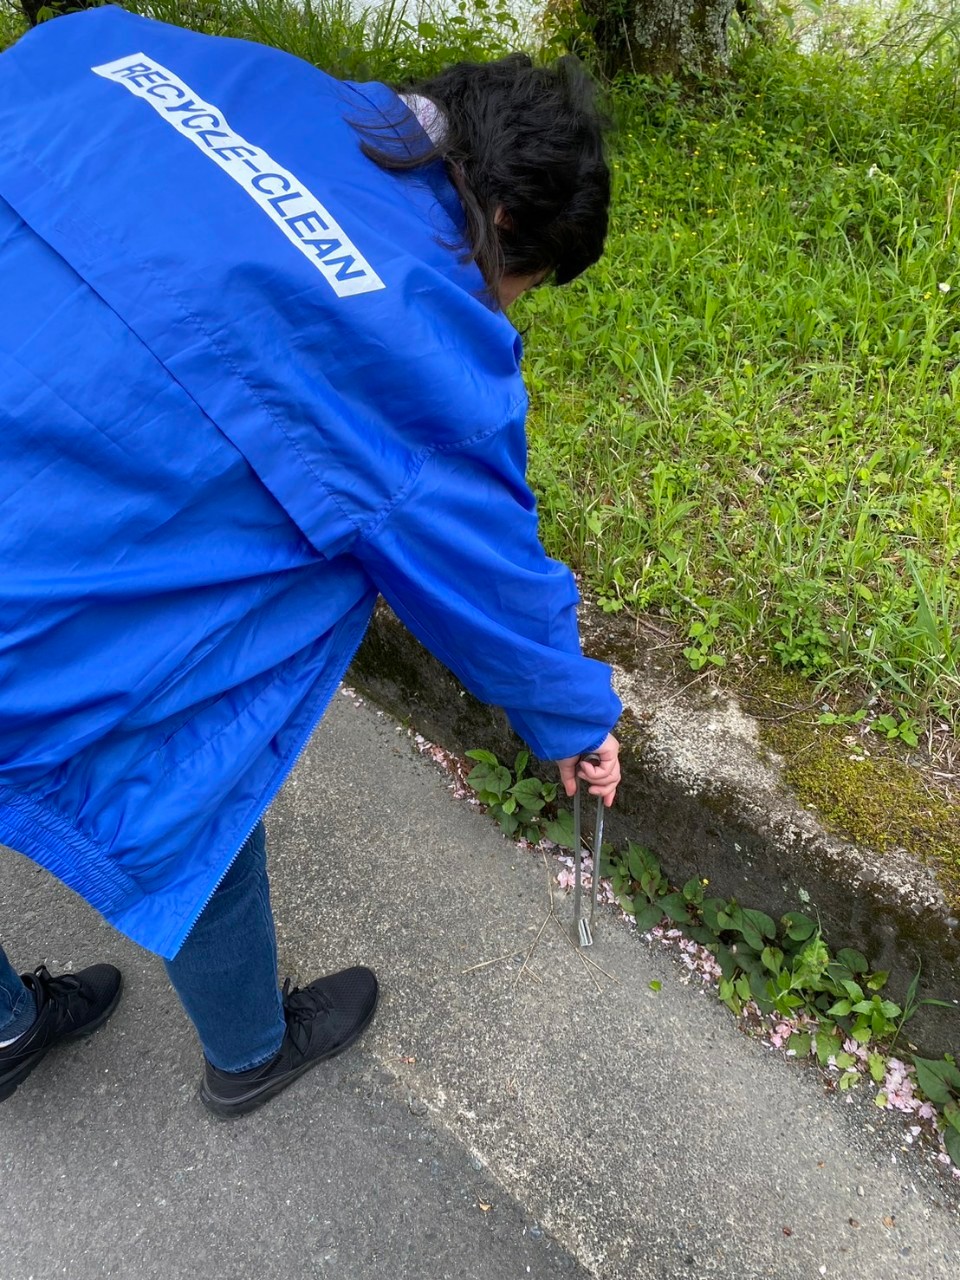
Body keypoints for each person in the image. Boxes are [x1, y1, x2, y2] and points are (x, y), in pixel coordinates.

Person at [0, 5, 622, 1117]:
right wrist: (576, 719)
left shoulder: (116, 51)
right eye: (526, 285)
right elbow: (485, 574)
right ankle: (248, 1053)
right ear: (506, 224)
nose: (507, 306)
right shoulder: (421, 343)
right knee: (195, 750)